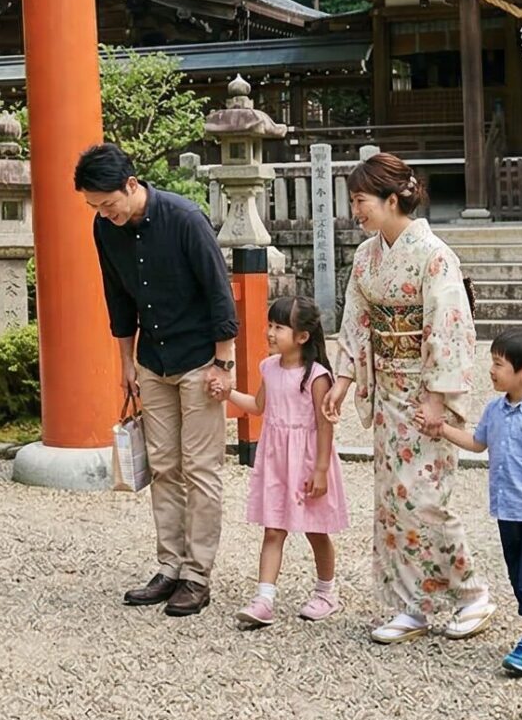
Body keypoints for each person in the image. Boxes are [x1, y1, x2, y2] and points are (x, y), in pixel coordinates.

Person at [320, 151, 496, 644]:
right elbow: (356, 319)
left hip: (422, 390)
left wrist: (438, 397)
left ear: (392, 199)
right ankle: (410, 605)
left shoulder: (435, 254)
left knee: (425, 497)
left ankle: (472, 593)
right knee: (393, 500)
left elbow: (450, 325)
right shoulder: (366, 256)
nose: (355, 210)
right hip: (386, 391)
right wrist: (343, 380)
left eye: (361, 200)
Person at [77, 142, 237, 618]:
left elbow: (218, 292)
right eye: (95, 208)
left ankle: (197, 574)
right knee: (164, 466)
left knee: (201, 468)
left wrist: (223, 366)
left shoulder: (185, 219)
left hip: (199, 359)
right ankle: (169, 566)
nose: (104, 215)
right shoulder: (105, 229)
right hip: (152, 359)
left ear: (131, 185)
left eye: (108, 204)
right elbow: (118, 299)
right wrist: (126, 362)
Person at [419, 327, 522, 674]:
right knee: (519, 578)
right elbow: (477, 443)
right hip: (508, 513)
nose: (491, 369)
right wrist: (441, 429)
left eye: (499, 364)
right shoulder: (495, 410)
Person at [216, 294, 347, 628]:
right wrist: (227, 392)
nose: (271, 333)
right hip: (276, 458)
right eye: (270, 325)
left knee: (316, 530)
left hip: (306, 460)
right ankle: (264, 598)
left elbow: (323, 425)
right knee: (273, 528)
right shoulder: (269, 367)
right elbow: (259, 405)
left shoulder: (317, 376)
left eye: (279, 327)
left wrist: (320, 470)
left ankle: (327, 591)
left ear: (302, 336)